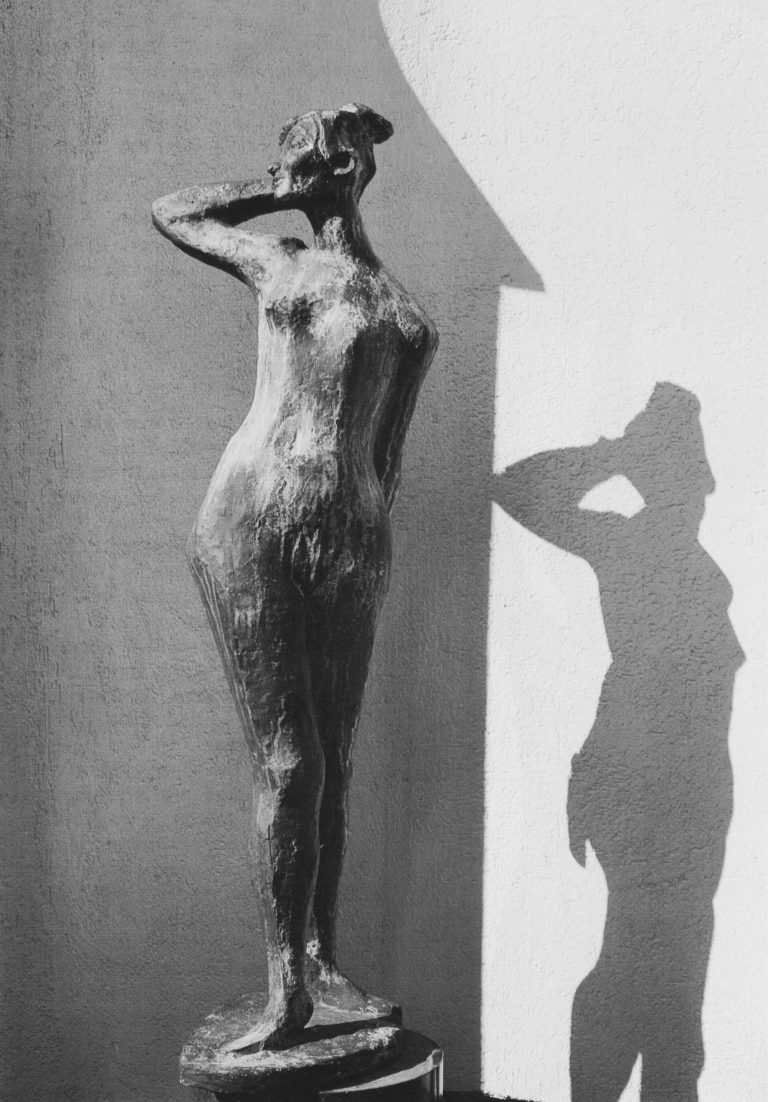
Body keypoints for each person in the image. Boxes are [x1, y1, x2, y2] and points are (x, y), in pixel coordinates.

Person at [152, 103, 438, 1052]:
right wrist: (270, 190)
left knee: (335, 762)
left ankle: (319, 962)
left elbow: (386, 463)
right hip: (253, 522)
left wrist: (367, 552)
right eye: (303, 161)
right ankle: (284, 989)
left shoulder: (405, 315)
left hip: (350, 540)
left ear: (354, 169)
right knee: (290, 761)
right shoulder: (279, 262)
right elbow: (175, 211)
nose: (311, 173)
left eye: (320, 159)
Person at [494, 383, 743, 1101]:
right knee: (639, 971)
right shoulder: (627, 544)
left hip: (690, 797)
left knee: (671, 988)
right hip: (645, 787)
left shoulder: (685, 562)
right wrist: (614, 454)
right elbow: (516, 489)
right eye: (687, 469)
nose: (704, 489)